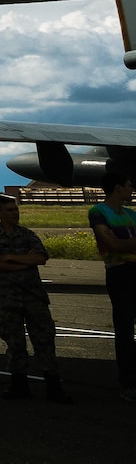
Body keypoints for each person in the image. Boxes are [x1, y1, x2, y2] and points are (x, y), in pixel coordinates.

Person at [0, 193, 67, 401]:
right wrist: (26, 261)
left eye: (16, 209)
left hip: (33, 295)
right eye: (10, 210)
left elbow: (41, 258)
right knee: (14, 341)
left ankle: (53, 386)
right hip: (8, 296)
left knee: (44, 339)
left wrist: (11, 258)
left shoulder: (28, 234)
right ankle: (19, 385)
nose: (15, 213)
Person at [89, 172, 136, 401]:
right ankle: (127, 383)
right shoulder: (98, 212)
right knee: (125, 329)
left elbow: (118, 243)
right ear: (118, 187)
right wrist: (124, 246)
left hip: (131, 270)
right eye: (129, 185)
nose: (132, 189)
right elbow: (111, 244)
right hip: (120, 274)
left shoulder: (130, 214)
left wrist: (123, 245)